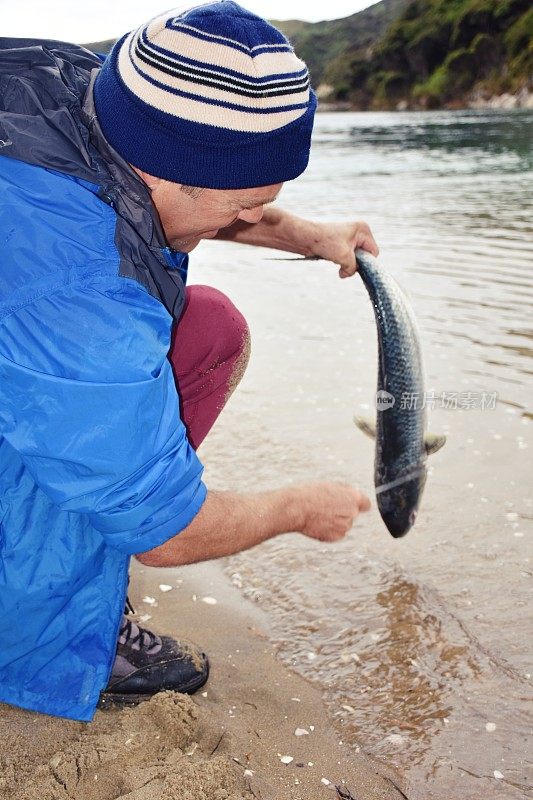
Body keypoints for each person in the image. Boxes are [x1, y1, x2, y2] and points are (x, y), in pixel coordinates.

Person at [0, 1, 377, 723]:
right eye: (242, 209)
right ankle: (38, 635)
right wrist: (300, 507)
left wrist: (305, 235)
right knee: (119, 490)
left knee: (206, 329)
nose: (244, 222)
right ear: (165, 172)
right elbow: (171, 535)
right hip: (43, 303)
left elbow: (164, 201)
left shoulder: (84, 92)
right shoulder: (75, 289)